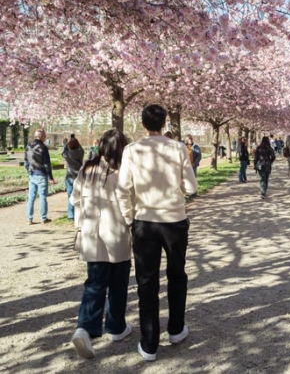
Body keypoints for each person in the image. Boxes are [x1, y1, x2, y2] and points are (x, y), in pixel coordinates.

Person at [117, 104, 197, 362]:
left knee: (146, 281)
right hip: (174, 220)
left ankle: (149, 343)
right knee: (177, 274)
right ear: (164, 123)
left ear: (143, 124)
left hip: (145, 221)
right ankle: (175, 329)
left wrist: (130, 217)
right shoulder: (177, 148)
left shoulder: (132, 150)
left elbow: (122, 189)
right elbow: (191, 186)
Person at [70, 130, 132, 359]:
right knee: (118, 283)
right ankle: (116, 327)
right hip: (116, 234)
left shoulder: (87, 168)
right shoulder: (123, 171)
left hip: (91, 234)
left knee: (94, 284)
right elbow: (131, 203)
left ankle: (84, 328)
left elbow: (74, 199)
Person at [25, 128, 56, 225]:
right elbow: (47, 163)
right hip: (41, 174)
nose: (46, 137)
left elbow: (26, 162)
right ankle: (43, 218)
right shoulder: (43, 147)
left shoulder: (28, 146)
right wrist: (50, 177)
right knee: (42, 197)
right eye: (45, 135)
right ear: (41, 136)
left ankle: (29, 218)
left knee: (31, 197)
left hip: (32, 173)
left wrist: (29, 171)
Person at [62, 137, 85, 221]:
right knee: (80, 195)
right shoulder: (80, 152)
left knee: (70, 195)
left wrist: (65, 144)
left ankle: (71, 215)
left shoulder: (68, 154)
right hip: (78, 176)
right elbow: (82, 149)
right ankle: (80, 213)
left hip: (69, 176)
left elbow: (63, 153)